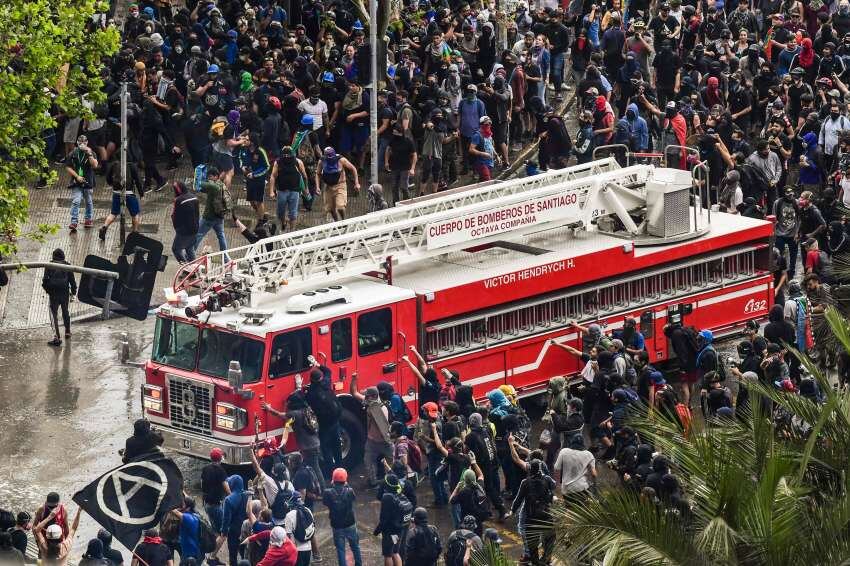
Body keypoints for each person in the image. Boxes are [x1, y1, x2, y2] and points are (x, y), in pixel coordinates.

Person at [350, 374, 393, 487]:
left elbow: (384, 430)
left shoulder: (380, 409)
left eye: (367, 396)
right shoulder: (371, 402)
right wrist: (354, 379)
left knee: (390, 464)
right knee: (369, 463)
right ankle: (373, 482)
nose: (365, 398)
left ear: (372, 397)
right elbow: (354, 393)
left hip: (384, 442)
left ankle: (392, 482)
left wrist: (389, 443)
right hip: (371, 442)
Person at [511, 459, 555, 566]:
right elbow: (553, 488)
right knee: (550, 538)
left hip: (531, 519)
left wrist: (512, 511)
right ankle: (545, 560)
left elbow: (518, 500)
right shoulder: (547, 480)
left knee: (532, 545)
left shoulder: (525, 483)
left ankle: (536, 563)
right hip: (546, 516)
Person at [304, 364, 343, 477]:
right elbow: (328, 371)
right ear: (320, 378)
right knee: (337, 446)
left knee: (326, 449)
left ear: (311, 380)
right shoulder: (326, 383)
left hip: (323, 426)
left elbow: (302, 401)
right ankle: (340, 468)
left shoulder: (310, 393)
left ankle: (331, 473)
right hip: (335, 422)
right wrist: (317, 364)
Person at [322, 468, 363, 566]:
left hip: (336, 525)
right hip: (350, 523)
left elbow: (325, 502)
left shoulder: (327, 492)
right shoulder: (349, 491)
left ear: (333, 480)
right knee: (355, 546)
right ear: (345, 480)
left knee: (340, 550)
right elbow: (353, 498)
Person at [193, 165, 231, 259]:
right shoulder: (221, 185)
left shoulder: (213, 186)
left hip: (209, 217)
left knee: (198, 234)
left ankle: (190, 255)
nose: (209, 179)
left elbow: (196, 186)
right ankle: (225, 257)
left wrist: (199, 172)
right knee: (221, 236)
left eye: (210, 177)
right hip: (220, 216)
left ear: (215, 176)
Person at [373, 473, 411, 566]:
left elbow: (384, 519)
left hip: (390, 532)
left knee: (388, 555)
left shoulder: (387, 497)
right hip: (399, 531)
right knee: (395, 552)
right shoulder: (400, 494)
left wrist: (377, 531)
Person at [268, 145, 308, 232]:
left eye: (288, 155)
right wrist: (271, 191)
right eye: (284, 155)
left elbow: (304, 176)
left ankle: (292, 231)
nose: (286, 157)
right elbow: (273, 176)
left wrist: (306, 189)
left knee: (293, 213)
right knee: (280, 212)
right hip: (282, 190)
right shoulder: (278, 162)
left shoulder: (298, 162)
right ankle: (283, 222)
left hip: (294, 190)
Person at [42, 248, 76, 347]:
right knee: (65, 312)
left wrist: (49, 291)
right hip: (65, 292)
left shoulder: (49, 265)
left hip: (54, 294)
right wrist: (73, 293)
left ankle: (56, 337)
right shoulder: (67, 265)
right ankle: (68, 332)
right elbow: (72, 281)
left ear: (53, 256)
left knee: (53, 315)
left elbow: (45, 281)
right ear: (63, 256)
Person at [99, 163, 142, 240]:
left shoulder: (114, 164)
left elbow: (108, 177)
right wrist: (141, 192)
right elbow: (137, 180)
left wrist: (112, 185)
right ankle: (135, 232)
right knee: (135, 214)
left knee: (113, 213)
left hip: (116, 192)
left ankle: (104, 227)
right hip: (129, 193)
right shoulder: (131, 165)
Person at [317, 147, 360, 222]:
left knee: (340, 207)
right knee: (330, 209)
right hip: (328, 186)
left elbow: (353, 168)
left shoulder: (341, 160)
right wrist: (317, 187)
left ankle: (343, 220)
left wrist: (356, 183)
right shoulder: (322, 161)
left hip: (340, 185)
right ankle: (337, 221)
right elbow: (318, 174)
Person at [66, 135, 98, 232]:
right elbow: (68, 167)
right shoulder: (73, 153)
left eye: (84, 142)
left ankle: (88, 219)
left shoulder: (91, 152)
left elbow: (95, 165)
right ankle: (74, 221)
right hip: (77, 182)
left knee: (88, 201)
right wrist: (76, 176)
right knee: (76, 200)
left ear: (87, 142)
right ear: (77, 142)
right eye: (80, 143)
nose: (82, 144)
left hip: (88, 181)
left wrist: (89, 154)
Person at [241, 135, 272, 220]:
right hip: (249, 179)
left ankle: (261, 221)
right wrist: (243, 166)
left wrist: (254, 174)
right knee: (251, 200)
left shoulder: (260, 151)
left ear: (252, 142)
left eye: (247, 140)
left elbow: (267, 166)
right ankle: (262, 214)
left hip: (259, 180)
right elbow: (244, 161)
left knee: (259, 201)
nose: (245, 141)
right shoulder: (246, 150)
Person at [385, 125, 418, 203]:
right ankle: (395, 204)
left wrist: (413, 168)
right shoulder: (392, 140)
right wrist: (386, 162)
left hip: (405, 167)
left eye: (396, 133)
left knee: (404, 187)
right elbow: (388, 150)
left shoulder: (408, 142)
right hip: (394, 167)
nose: (394, 135)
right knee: (394, 187)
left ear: (401, 133)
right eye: (393, 133)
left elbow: (414, 155)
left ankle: (407, 204)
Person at [201, 447, 231, 536]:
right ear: (220, 458)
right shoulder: (220, 470)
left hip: (207, 504)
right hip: (216, 505)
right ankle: (217, 548)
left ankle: (214, 544)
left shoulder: (205, 468)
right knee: (223, 530)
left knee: (214, 528)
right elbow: (226, 488)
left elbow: (202, 484)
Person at [170, 181, 200, 263]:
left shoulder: (179, 200)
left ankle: (186, 268)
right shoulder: (194, 197)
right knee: (189, 247)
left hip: (184, 230)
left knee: (176, 249)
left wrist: (177, 228)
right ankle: (194, 268)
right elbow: (197, 214)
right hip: (195, 227)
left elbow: (175, 216)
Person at [170, 497, 203, 563]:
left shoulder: (187, 518)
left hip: (190, 554)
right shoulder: (196, 515)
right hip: (196, 551)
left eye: (183, 504)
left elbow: (172, 510)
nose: (182, 506)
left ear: (188, 508)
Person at [468, 116, 497, 181]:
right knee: (487, 180)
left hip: (489, 162)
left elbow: (490, 146)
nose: (489, 125)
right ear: (481, 125)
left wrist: (496, 155)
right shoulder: (477, 135)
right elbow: (471, 149)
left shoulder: (489, 134)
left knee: (483, 180)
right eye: (486, 124)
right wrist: (483, 154)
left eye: (490, 124)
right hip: (481, 162)